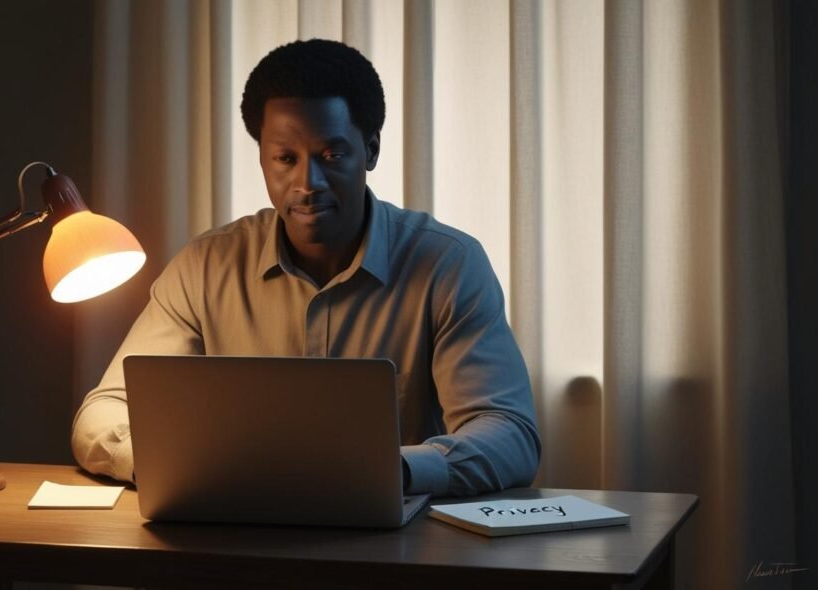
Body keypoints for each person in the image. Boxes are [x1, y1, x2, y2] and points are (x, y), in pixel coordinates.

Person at [72, 39, 540, 497]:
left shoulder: (448, 265)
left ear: (371, 150)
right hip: (232, 543)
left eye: (331, 156)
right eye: (285, 159)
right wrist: (165, 463)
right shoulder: (204, 267)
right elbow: (104, 412)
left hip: (392, 552)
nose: (307, 183)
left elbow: (510, 433)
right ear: (261, 158)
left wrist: (394, 469)